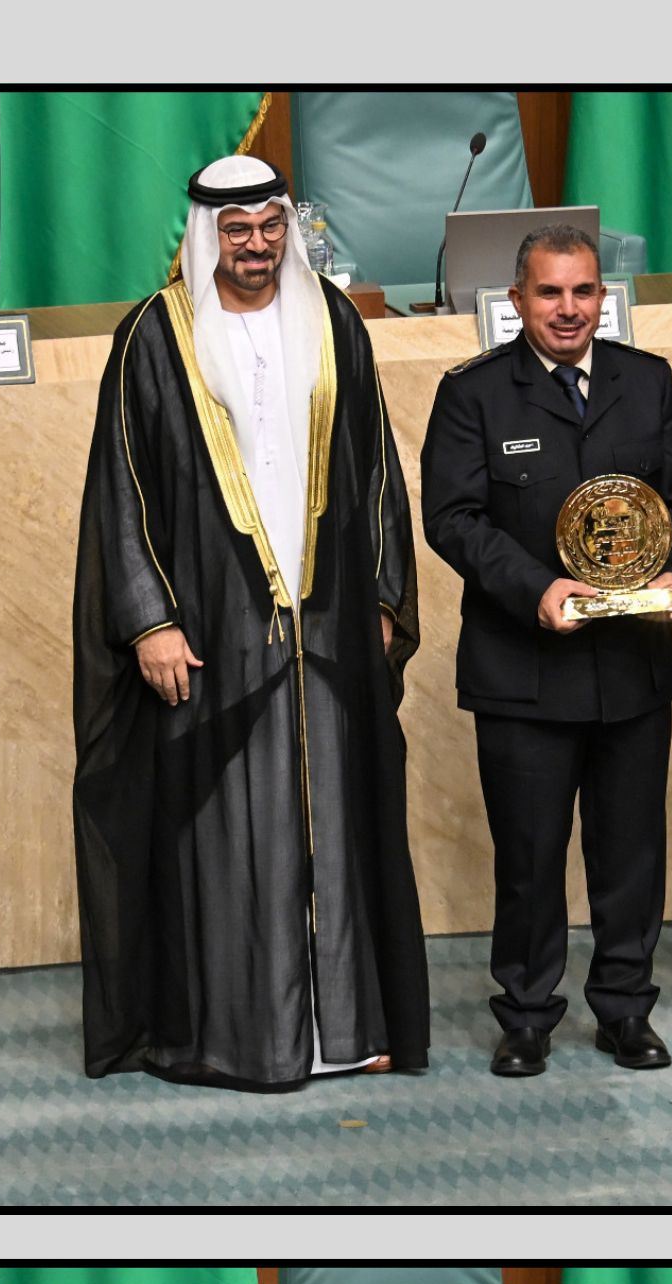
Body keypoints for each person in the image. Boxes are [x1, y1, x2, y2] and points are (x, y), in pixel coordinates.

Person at [68, 154, 428, 1091]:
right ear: (207, 235)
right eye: (237, 231)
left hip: (329, 625)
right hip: (211, 631)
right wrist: (148, 620)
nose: (257, 246)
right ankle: (238, 1037)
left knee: (337, 829)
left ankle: (344, 1033)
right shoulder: (155, 336)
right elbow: (121, 489)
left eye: (271, 227)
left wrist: (384, 598)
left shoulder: (334, 320)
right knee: (231, 836)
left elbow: (376, 472)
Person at [418, 226, 672, 1078]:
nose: (569, 309)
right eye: (550, 293)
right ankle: (526, 1015)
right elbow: (452, 518)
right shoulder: (472, 394)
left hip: (630, 668)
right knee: (530, 858)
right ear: (517, 300)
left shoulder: (646, 381)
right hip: (523, 671)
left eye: (584, 291)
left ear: (602, 298)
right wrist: (536, 588)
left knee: (630, 855)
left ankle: (626, 1010)